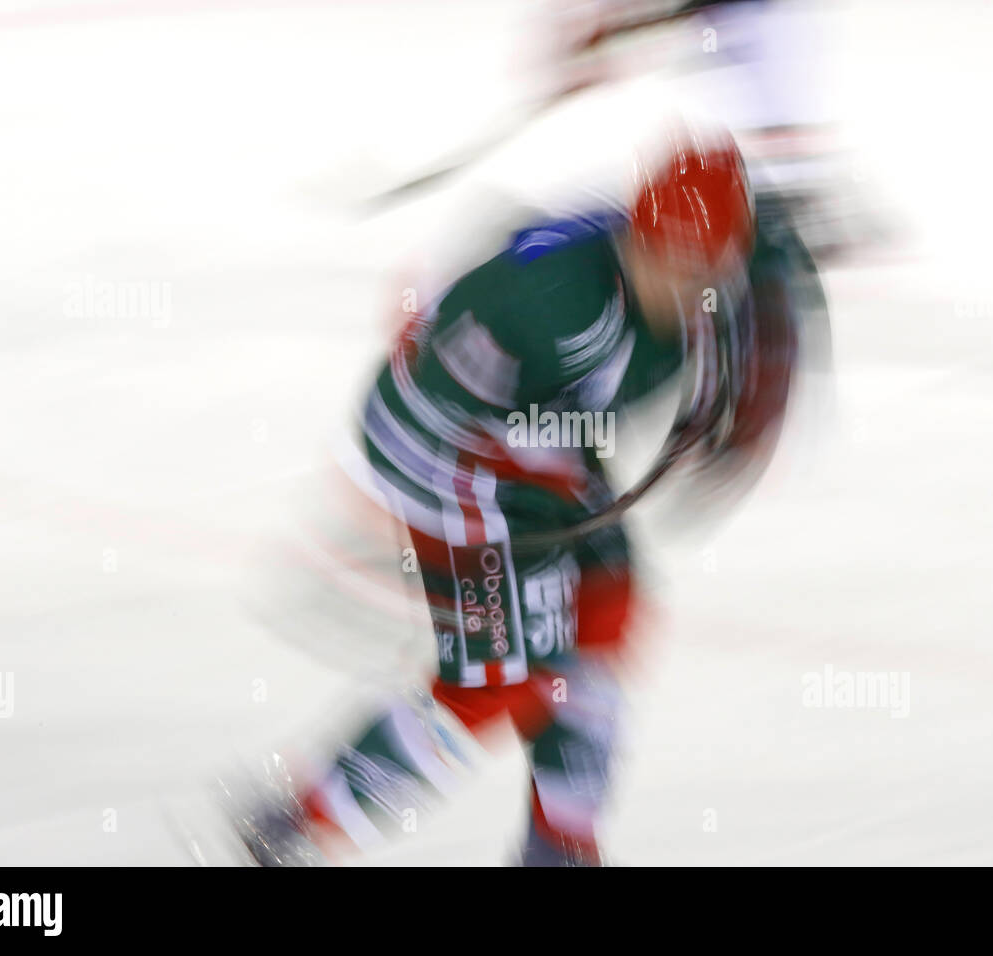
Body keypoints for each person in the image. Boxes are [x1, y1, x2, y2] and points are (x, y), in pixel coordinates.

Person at [231, 129, 823, 866]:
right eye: (657, 258)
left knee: (607, 606)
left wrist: (770, 377)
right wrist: (429, 535)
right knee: (498, 675)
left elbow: (778, 251)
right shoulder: (556, 301)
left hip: (542, 449)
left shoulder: (734, 261)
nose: (674, 283)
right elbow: (425, 404)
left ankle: (560, 844)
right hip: (453, 457)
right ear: (633, 235)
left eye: (697, 268)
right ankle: (296, 821)